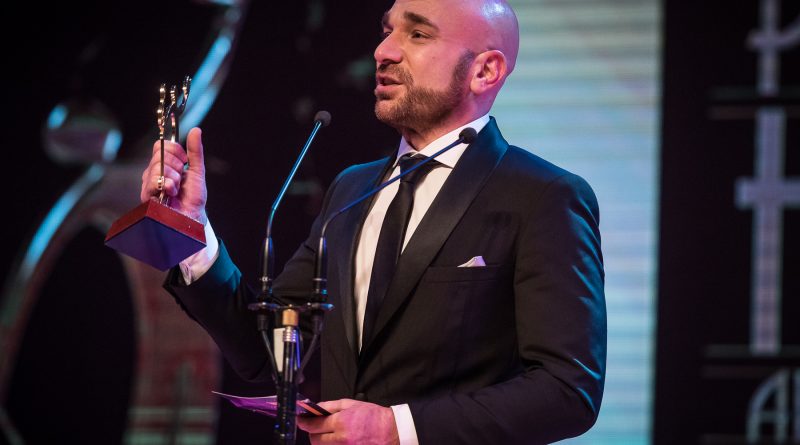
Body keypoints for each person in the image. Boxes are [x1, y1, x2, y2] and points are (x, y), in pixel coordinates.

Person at [140, 0, 606, 443]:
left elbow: (567, 391)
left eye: (418, 34)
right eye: (387, 31)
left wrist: (396, 430)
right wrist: (191, 230)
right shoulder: (352, 189)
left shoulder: (542, 196)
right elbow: (270, 350)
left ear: (485, 71)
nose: (384, 51)